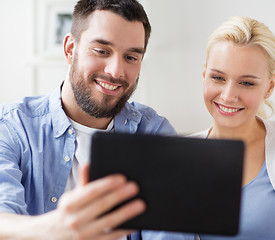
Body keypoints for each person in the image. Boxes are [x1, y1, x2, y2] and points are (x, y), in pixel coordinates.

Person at [146, 16, 275, 240]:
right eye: (218, 78)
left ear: (270, 86)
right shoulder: (176, 159)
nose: (228, 96)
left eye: (247, 83)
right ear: (204, 76)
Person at [0, 0, 175, 239]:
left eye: (131, 57)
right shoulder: (13, 126)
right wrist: (55, 229)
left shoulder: (154, 132)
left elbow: (170, 231)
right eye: (102, 51)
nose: (116, 71)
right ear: (70, 49)